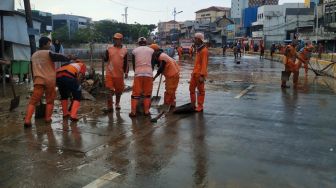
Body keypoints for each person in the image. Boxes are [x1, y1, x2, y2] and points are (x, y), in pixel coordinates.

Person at [24, 37, 72, 128]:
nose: (50, 46)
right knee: (50, 100)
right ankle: (47, 118)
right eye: (49, 44)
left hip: (38, 80)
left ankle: (27, 120)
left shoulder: (33, 55)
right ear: (45, 44)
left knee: (33, 101)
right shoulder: (48, 53)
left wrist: (34, 79)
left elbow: (32, 69)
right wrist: (68, 58)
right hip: (49, 80)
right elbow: (59, 57)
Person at [129, 37, 155, 117]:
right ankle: (146, 112)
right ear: (146, 43)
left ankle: (133, 112)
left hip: (138, 73)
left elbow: (133, 64)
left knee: (135, 94)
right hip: (149, 73)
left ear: (138, 43)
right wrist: (150, 70)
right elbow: (153, 63)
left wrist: (136, 71)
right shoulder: (151, 50)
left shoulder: (134, 51)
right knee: (147, 94)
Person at [103, 33, 128, 112]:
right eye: (115, 39)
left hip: (119, 74)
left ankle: (117, 103)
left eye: (118, 39)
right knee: (109, 90)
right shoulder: (109, 48)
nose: (117, 41)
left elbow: (126, 62)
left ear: (121, 40)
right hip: (109, 73)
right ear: (114, 40)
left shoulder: (125, 50)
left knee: (119, 91)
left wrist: (126, 72)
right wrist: (103, 57)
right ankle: (109, 106)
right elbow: (106, 59)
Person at [150, 44, 180, 109]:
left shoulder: (162, 56)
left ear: (154, 51)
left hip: (172, 75)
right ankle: (172, 104)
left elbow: (161, 68)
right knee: (172, 91)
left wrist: (154, 77)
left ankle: (166, 105)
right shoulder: (162, 55)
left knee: (169, 91)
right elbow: (160, 65)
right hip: (174, 74)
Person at [189, 33, 208, 112]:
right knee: (191, 89)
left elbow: (204, 64)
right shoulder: (199, 50)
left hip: (200, 74)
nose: (194, 40)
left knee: (201, 91)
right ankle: (193, 104)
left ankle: (200, 106)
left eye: (195, 38)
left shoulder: (204, 50)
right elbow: (197, 63)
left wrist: (202, 75)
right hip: (195, 73)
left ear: (199, 39)